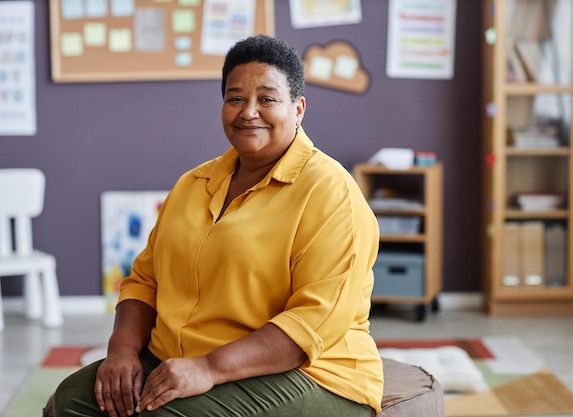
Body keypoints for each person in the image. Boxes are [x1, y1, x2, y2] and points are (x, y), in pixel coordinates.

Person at [50, 34, 383, 417]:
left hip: (313, 372)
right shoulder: (193, 184)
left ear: (299, 109)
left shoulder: (331, 193)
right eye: (235, 98)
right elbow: (145, 282)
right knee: (74, 398)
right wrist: (122, 352)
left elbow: (310, 326)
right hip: (183, 360)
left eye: (267, 99)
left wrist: (209, 368)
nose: (248, 112)